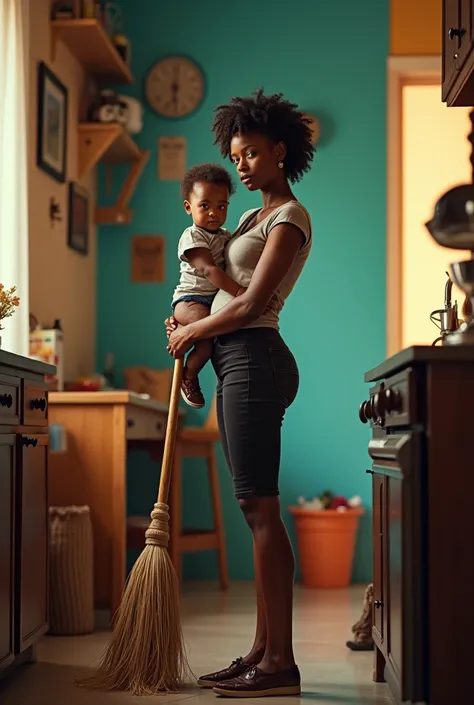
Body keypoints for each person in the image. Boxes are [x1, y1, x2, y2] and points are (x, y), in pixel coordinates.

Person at [166, 88, 315, 698]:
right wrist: (186, 324)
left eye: (252, 153)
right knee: (254, 510)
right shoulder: (248, 219)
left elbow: (254, 302)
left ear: (279, 151)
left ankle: (280, 662)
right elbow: (213, 282)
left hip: (256, 357)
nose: (243, 164)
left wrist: (195, 330)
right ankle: (260, 650)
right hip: (234, 361)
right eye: (236, 155)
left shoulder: (290, 218)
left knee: (261, 510)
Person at [171, 163, 246, 408]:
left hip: (209, 301)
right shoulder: (193, 236)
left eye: (221, 206)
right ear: (188, 207)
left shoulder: (224, 235)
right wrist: (237, 292)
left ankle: (190, 367)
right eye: (205, 206)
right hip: (190, 300)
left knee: (208, 343)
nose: (213, 212)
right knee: (205, 344)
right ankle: (188, 377)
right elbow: (209, 269)